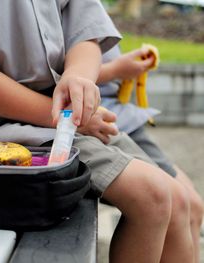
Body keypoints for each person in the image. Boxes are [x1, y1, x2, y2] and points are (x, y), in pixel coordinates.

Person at [0, 1, 194, 262]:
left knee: (180, 201)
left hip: (72, 118)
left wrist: (77, 78)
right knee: (151, 196)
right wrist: (60, 114)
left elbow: (86, 35)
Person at [97, 44, 204, 263]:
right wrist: (116, 69)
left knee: (192, 205)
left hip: (119, 117)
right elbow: (54, 74)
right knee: (166, 201)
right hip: (99, 119)